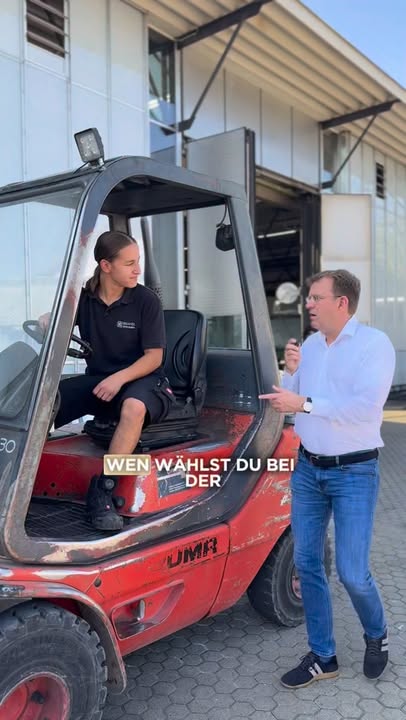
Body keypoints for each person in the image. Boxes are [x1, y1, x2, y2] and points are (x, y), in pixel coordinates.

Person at [259, 269, 395, 688]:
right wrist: (291, 374)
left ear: (342, 303)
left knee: (352, 572)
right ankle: (323, 656)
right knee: (307, 563)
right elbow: (296, 401)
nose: (308, 304)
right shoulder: (312, 346)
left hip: (354, 472)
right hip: (308, 470)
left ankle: (377, 634)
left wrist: (302, 400)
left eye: (316, 297)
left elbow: (364, 408)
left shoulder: (375, 345)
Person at [40, 230, 173, 532]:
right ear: (106, 266)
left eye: (138, 261)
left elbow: (154, 357)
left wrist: (118, 379)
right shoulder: (84, 299)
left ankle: (105, 488)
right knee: (43, 400)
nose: (137, 269)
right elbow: (60, 319)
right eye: (130, 263)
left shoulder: (145, 300)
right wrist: (47, 320)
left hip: (145, 381)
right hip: (101, 382)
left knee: (133, 408)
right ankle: (17, 475)